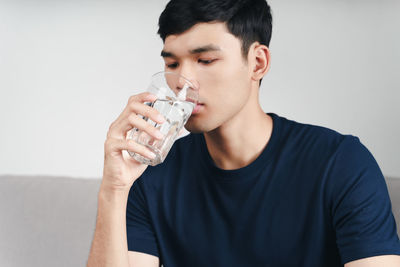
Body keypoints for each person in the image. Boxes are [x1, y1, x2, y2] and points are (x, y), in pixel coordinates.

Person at [87, 0, 400, 266]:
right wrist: (114, 188)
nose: (183, 82)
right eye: (171, 64)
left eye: (205, 60)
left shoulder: (341, 164)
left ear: (258, 63)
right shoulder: (151, 175)